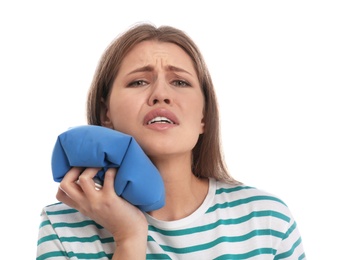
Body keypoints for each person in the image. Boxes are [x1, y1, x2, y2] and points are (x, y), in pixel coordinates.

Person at [36, 23, 306, 259]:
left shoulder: (266, 219)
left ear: (204, 116)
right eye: (139, 81)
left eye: (180, 83)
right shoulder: (63, 225)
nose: (161, 95)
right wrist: (128, 237)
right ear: (107, 114)